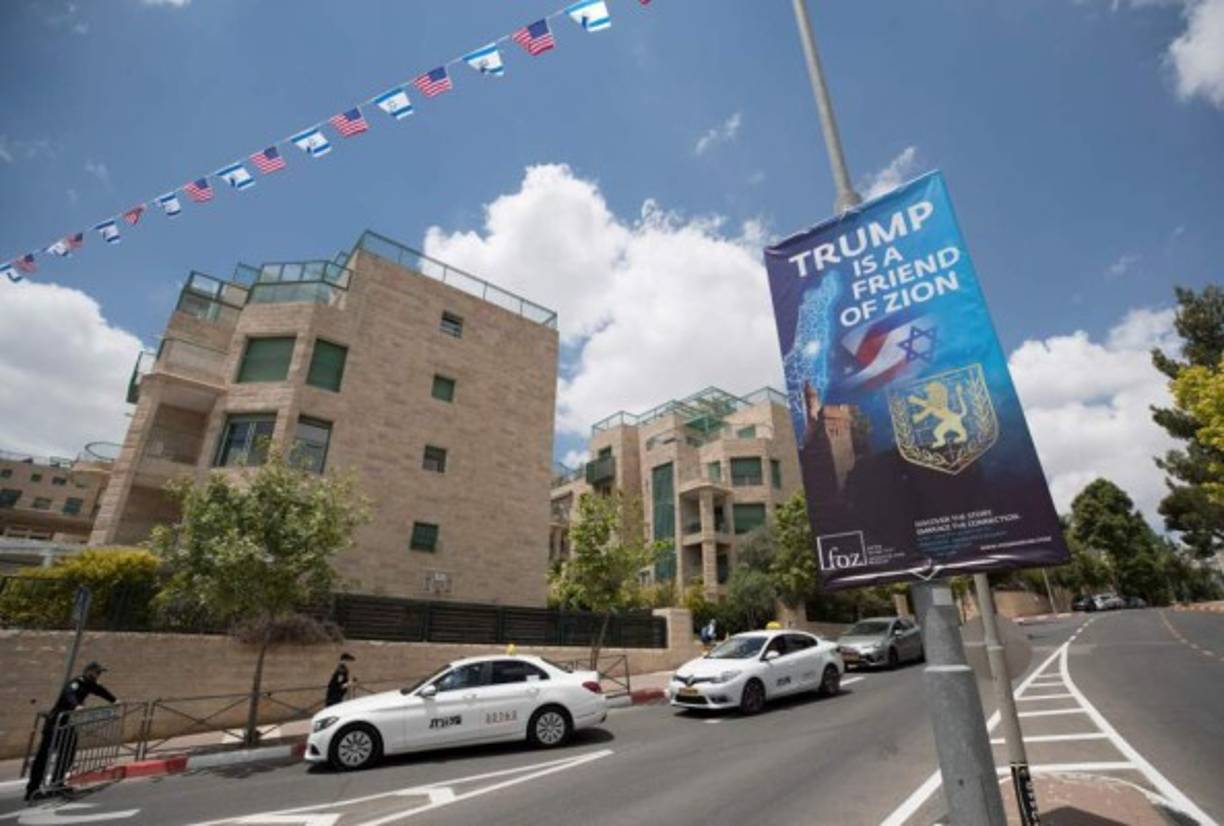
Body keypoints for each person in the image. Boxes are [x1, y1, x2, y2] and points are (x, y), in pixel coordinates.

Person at [25, 662, 116, 802]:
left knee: (68, 754)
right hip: (55, 724)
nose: (98, 675)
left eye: (99, 673)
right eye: (97, 672)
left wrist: (115, 700)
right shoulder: (76, 683)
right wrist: (76, 705)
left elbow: (101, 691)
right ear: (88, 671)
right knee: (43, 757)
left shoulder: (90, 684)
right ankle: (32, 790)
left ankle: (58, 784)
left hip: (67, 725)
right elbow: (69, 694)